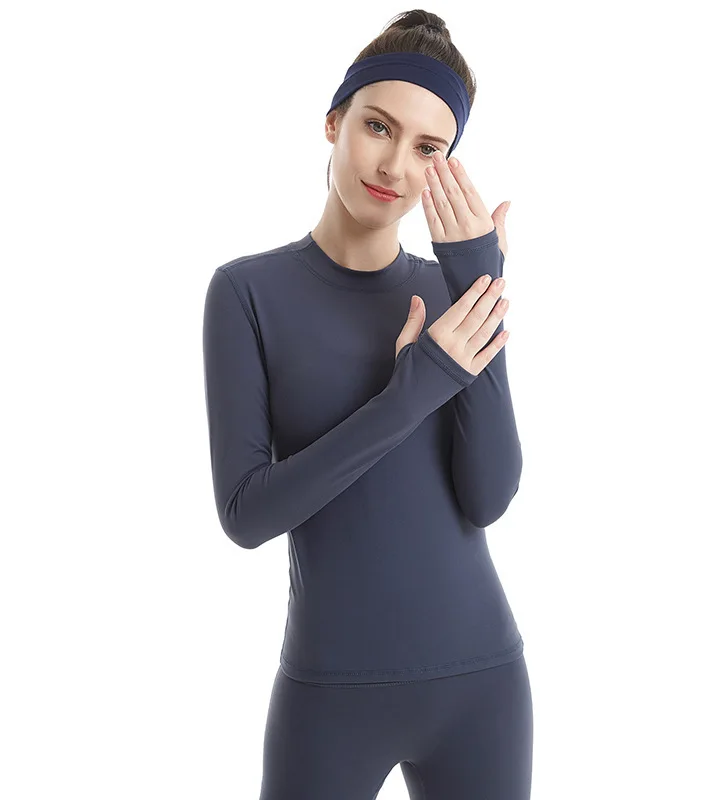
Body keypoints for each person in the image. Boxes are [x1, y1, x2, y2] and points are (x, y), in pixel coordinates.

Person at [202, 9, 533, 799]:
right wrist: (414, 386)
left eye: (428, 148)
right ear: (333, 123)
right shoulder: (246, 292)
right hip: (330, 696)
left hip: (482, 684)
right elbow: (247, 515)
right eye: (378, 126)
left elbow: (489, 495)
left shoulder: (448, 290)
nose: (394, 165)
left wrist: (479, 284)